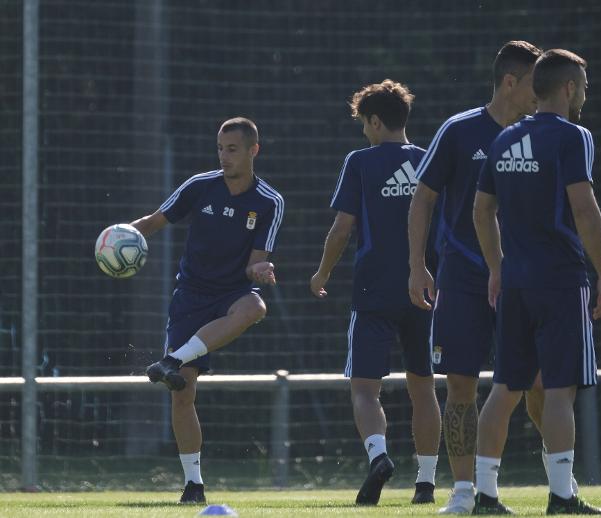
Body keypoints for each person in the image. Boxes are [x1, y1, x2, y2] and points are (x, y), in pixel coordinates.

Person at [408, 41, 549, 514]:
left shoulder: (546, 132)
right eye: (536, 82)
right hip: (465, 280)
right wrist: (417, 265)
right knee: (461, 386)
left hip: (528, 280)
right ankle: (465, 492)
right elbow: (422, 198)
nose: (543, 93)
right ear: (511, 82)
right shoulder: (460, 131)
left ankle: (561, 486)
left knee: (541, 383)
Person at [473, 48, 601, 515]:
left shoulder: (504, 139)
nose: (586, 96)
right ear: (569, 88)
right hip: (560, 279)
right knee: (559, 388)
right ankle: (561, 495)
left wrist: (496, 266)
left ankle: (486, 496)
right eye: (585, 87)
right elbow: (584, 209)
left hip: (515, 280)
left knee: (504, 387)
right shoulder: (575, 137)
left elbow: (482, 210)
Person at [133, 117, 284, 504]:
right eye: (220, 148)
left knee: (255, 307)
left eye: (232, 149)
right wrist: (118, 235)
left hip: (232, 291)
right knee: (183, 392)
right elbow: (152, 222)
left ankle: (171, 359)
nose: (224, 156)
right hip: (191, 295)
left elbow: (255, 263)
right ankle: (193, 484)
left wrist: (261, 269)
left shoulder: (269, 201)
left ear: (254, 151)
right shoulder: (200, 186)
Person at [310, 80, 441, 506]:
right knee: (425, 388)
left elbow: (341, 229)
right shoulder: (428, 159)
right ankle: (426, 483)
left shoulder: (360, 161)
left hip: (373, 290)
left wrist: (321, 273)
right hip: (425, 288)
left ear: (375, 120)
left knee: (365, 389)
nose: (362, 132)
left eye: (363, 123)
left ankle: (379, 457)